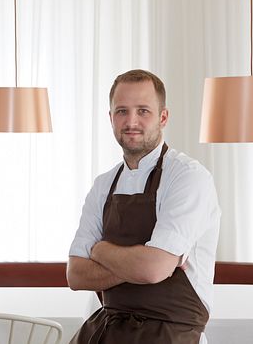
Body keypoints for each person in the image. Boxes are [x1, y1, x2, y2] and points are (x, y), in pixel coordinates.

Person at [67, 69, 220, 344]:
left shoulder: (188, 177)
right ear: (111, 118)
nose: (131, 121)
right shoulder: (103, 185)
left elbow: (153, 270)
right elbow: (76, 275)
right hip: (108, 328)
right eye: (122, 111)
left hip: (171, 332)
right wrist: (145, 263)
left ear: (163, 117)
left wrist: (99, 250)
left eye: (143, 111)